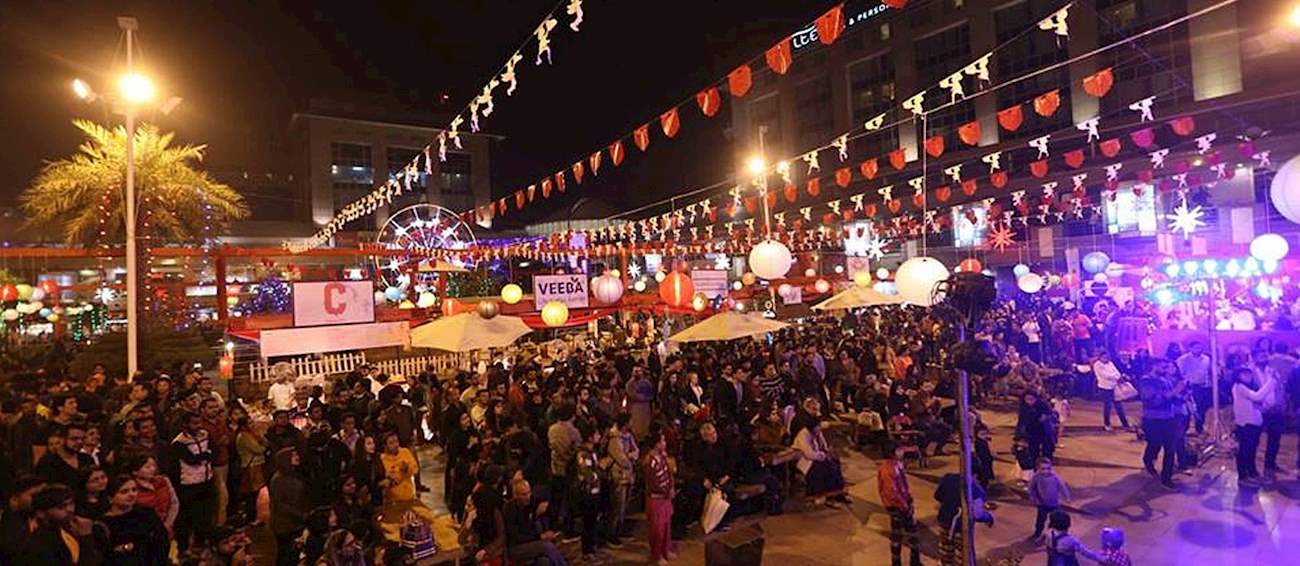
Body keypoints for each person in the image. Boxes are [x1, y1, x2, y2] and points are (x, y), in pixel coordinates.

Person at [14, 484, 100, 566]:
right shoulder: (39, 545)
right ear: (41, 513)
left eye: (71, 504)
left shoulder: (66, 530)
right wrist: (86, 537)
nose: (70, 510)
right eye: (61, 507)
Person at [169, 410, 215, 553]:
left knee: (205, 514)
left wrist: (205, 455)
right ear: (185, 425)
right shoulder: (179, 442)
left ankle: (201, 544)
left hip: (206, 480)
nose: (199, 426)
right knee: (188, 516)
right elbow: (191, 460)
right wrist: (205, 455)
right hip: (188, 484)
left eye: (199, 423)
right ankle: (184, 548)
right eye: (195, 424)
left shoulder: (205, 435)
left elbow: (214, 451)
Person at [99, 474, 170, 566]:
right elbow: (106, 556)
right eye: (124, 492)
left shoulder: (147, 513)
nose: (131, 494)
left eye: (134, 490)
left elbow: (162, 540)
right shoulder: (104, 524)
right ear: (110, 498)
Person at [502, 478, 567, 566]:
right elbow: (516, 536)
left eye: (529, 492)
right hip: (516, 547)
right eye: (524, 494)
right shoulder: (509, 510)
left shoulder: (530, 504)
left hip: (530, 542)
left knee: (544, 562)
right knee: (547, 547)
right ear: (515, 495)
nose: (528, 497)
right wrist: (539, 537)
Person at [878, 442, 922, 566]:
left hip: (903, 503)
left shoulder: (898, 464)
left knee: (910, 533)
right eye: (899, 450)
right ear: (892, 452)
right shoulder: (887, 469)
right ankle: (898, 562)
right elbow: (891, 492)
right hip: (896, 506)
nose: (902, 452)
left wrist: (909, 499)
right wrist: (905, 506)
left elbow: (903, 485)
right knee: (898, 535)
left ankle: (914, 560)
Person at [1231, 367, 1272, 485]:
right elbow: (1257, 397)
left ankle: (1252, 472)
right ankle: (1243, 476)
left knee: (1252, 449)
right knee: (1245, 450)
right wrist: (1271, 382)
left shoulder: (1248, 387)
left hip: (1254, 423)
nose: (1248, 376)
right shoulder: (1239, 387)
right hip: (1246, 423)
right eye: (1244, 374)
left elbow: (1257, 401)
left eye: (1249, 374)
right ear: (1238, 375)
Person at [269, 447, 308, 566]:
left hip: (294, 522)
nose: (297, 457)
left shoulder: (294, 474)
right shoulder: (278, 480)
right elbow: (279, 504)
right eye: (293, 455)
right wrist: (300, 514)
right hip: (284, 524)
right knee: (285, 554)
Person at [606, 412, 638, 546]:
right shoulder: (614, 438)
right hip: (618, 476)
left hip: (628, 475)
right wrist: (630, 456)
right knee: (617, 507)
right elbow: (621, 458)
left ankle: (620, 530)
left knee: (624, 506)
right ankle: (611, 535)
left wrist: (630, 455)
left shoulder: (629, 436)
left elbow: (636, 451)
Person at [643, 430, 675, 565]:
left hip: (665, 496)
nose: (665, 443)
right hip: (656, 498)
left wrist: (671, 487)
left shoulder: (662, 457)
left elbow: (669, 473)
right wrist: (665, 491)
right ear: (656, 444)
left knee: (667, 525)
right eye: (662, 441)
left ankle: (665, 550)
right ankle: (657, 555)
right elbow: (653, 483)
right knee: (657, 528)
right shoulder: (649, 461)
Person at [126, 454, 177, 534]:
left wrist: (167, 524)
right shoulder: (132, 487)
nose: (152, 469)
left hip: (166, 527)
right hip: (143, 530)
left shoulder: (163, 481)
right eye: (147, 467)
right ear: (135, 471)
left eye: (153, 465)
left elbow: (174, 503)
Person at [1029, 457, 1071, 541]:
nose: (1046, 471)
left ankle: (1051, 534)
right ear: (1038, 468)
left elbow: (1062, 486)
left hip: (1054, 503)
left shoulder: (1055, 477)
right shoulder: (1036, 477)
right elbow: (1031, 488)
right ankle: (1037, 533)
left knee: (1055, 520)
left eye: (1048, 468)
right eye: (1043, 469)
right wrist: (1034, 498)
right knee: (1040, 520)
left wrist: (1066, 496)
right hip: (1042, 504)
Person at [1175, 341, 1212, 434]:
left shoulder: (1207, 359)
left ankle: (1199, 428)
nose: (1198, 350)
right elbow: (1179, 373)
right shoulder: (1183, 359)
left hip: (1203, 387)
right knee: (1189, 409)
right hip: (1189, 387)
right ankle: (1184, 429)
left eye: (1200, 347)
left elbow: (1208, 372)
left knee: (1202, 408)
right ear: (1190, 348)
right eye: (1196, 348)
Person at [1091, 351, 1131, 432]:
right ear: (1100, 357)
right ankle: (1107, 424)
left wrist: (1119, 377)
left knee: (1119, 406)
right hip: (1104, 388)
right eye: (1104, 357)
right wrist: (1116, 377)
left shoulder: (1110, 363)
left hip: (1114, 387)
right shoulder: (1097, 365)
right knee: (1107, 406)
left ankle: (1125, 425)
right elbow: (1105, 375)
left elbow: (1116, 372)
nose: (1106, 359)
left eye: (1107, 357)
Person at [378, 431, 418, 504]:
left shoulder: (405, 452)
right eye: (391, 443)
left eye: (396, 441)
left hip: (408, 496)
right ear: (385, 445)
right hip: (392, 500)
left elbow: (415, 469)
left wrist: (407, 469)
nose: (395, 445)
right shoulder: (381, 460)